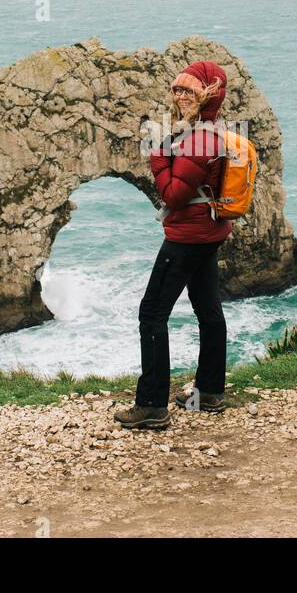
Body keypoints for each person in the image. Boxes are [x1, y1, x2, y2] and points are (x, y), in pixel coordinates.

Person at [114, 60, 233, 430]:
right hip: (208, 233)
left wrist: (157, 157)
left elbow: (173, 194)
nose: (180, 96)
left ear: (207, 95)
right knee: (208, 309)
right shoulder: (207, 130)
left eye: (189, 90)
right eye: (177, 89)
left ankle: (151, 405)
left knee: (151, 314)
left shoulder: (199, 141)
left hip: (187, 237)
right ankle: (209, 392)